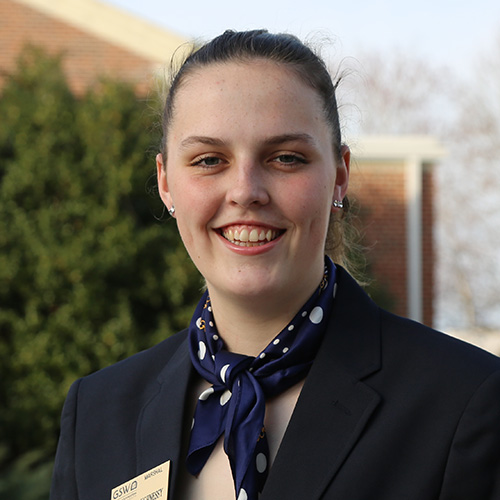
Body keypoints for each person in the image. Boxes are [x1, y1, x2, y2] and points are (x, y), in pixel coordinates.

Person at [51, 30, 500, 500]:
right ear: (166, 183)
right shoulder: (98, 413)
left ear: (339, 177)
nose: (245, 191)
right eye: (208, 159)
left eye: (286, 158)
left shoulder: (463, 403)